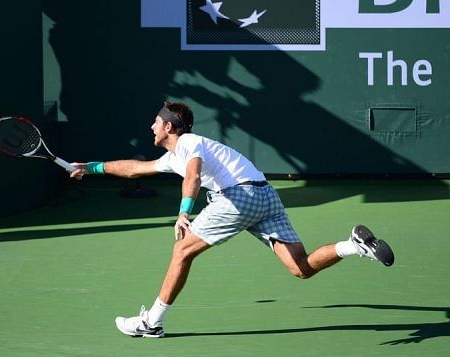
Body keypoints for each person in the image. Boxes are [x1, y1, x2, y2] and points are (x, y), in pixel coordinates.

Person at [70, 101, 395, 338]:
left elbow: (194, 177)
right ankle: (353, 246)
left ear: (169, 126)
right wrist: (91, 166)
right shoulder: (173, 156)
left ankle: (152, 322)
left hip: (237, 197)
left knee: (182, 250)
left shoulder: (189, 143)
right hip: (266, 195)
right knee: (301, 268)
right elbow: (134, 168)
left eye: (155, 122)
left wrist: (184, 211)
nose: (151, 127)